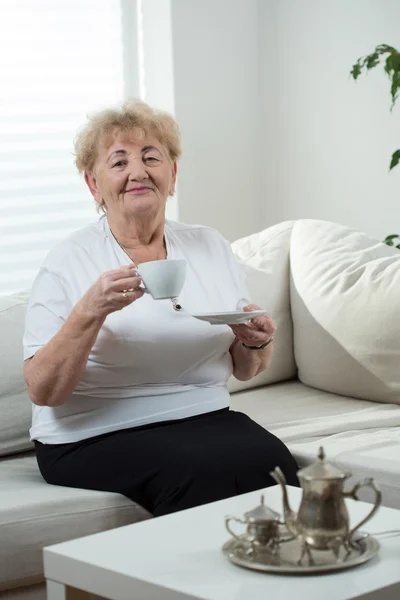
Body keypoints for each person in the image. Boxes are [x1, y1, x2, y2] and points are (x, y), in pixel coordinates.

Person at [23, 100, 298, 517]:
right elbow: (44, 391)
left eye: (152, 157)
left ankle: (286, 574)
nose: (138, 171)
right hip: (92, 432)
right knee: (200, 473)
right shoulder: (69, 260)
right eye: (119, 162)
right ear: (93, 185)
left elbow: (247, 369)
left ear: (172, 174)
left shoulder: (208, 245)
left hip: (203, 415)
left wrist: (256, 341)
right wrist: (90, 313)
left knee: (275, 463)